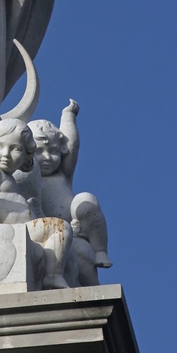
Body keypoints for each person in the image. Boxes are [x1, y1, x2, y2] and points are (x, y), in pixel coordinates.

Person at [29, 100, 112, 278]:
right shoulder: (28, 178)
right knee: (79, 255)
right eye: (39, 151)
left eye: (53, 151)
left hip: (77, 228)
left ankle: (100, 249)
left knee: (85, 201)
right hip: (55, 233)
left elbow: (72, 145)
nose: (47, 157)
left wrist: (68, 117)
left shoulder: (63, 174)